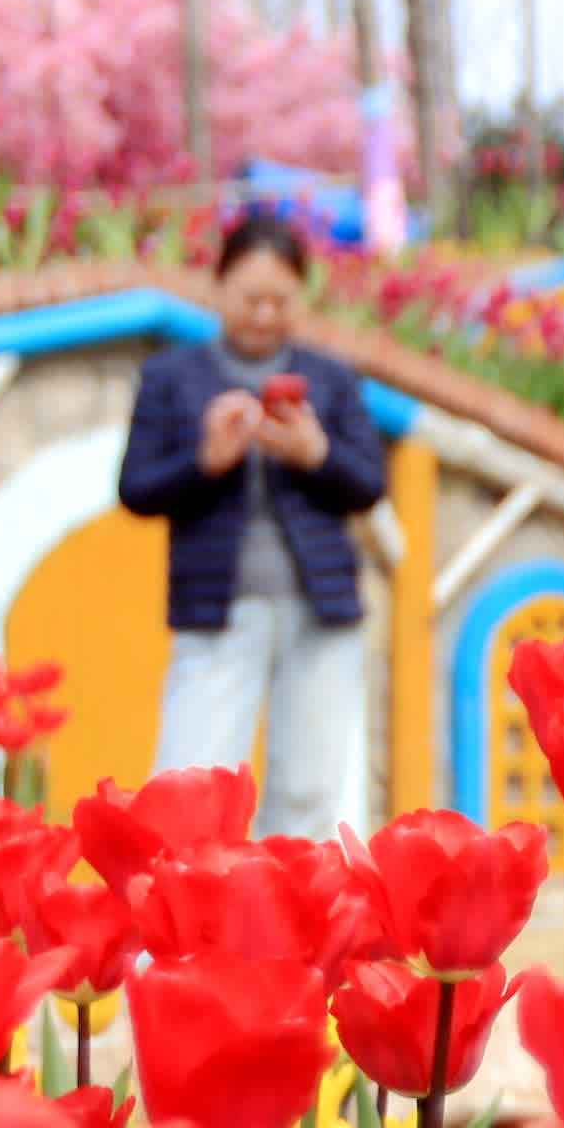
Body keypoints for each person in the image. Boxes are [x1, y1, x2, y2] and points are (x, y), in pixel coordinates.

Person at [115, 214, 391, 839]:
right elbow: (135, 489)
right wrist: (205, 461)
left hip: (322, 612)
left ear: (301, 295)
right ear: (217, 289)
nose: (264, 315)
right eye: (250, 299)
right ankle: (182, 930)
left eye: (280, 301)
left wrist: (315, 453)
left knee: (308, 793)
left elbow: (370, 484)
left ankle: (287, 933)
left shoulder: (332, 379)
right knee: (189, 786)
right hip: (217, 609)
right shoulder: (171, 378)